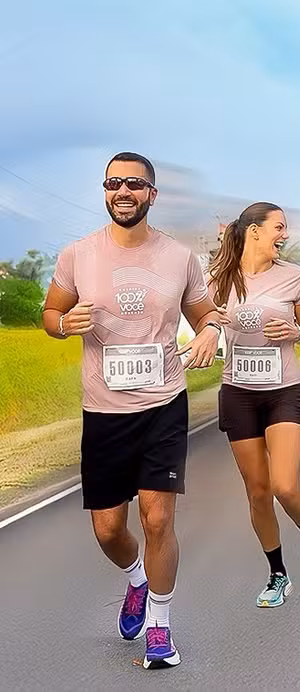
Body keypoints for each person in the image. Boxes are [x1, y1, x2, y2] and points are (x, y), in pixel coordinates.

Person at [41, 152, 224, 669]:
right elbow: (50, 313)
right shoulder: (77, 255)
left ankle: (160, 628)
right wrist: (62, 324)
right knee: (108, 529)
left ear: (151, 194)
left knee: (159, 518)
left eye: (135, 184)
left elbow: (205, 312)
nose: (124, 191)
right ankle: (137, 580)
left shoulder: (179, 257)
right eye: (114, 183)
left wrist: (211, 330)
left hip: (163, 402)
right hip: (102, 410)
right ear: (105, 191)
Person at [207, 202, 300, 608]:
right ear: (254, 231)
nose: (285, 234)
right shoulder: (219, 279)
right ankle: (277, 573)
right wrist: (208, 332)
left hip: (283, 391)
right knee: (258, 492)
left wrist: (296, 331)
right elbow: (205, 321)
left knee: (285, 486)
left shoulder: (294, 277)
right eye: (279, 227)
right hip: (238, 392)